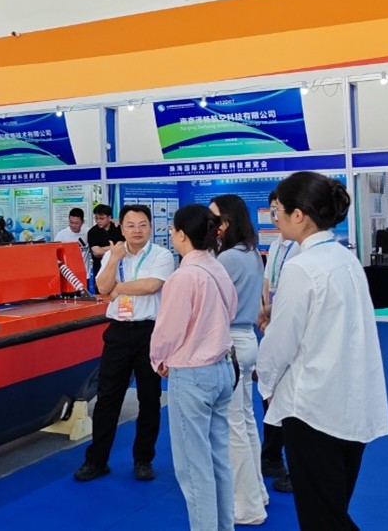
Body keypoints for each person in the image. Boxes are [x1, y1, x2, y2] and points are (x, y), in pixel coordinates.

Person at [257, 172, 388, 530]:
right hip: (350, 401)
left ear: (299, 215)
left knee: (321, 517)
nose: (276, 218)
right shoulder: (344, 258)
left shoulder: (302, 267)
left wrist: (265, 382)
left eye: (279, 211)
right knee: (333, 506)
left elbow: (280, 344)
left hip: (312, 408)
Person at [150, 204, 239, 530]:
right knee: (218, 461)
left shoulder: (183, 277)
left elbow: (168, 330)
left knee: (193, 468)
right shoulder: (217, 267)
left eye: (173, 230)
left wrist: (158, 359)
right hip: (221, 369)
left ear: (182, 235)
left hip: (192, 375)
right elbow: (230, 310)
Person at [74, 204, 175, 483]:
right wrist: (114, 260)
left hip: (149, 332)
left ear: (150, 227)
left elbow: (151, 286)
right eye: (130, 225)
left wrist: (118, 288)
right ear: (121, 228)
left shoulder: (162, 255)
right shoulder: (114, 254)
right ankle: (96, 461)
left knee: (149, 399)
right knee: (107, 398)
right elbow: (102, 288)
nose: (137, 230)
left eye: (142, 225)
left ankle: (143, 460)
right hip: (118, 332)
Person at [210, 195, 268, 525]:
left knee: (233, 428)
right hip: (246, 340)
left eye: (213, 218)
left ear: (226, 222)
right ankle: (256, 493)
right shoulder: (250, 252)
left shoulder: (227, 258)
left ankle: (246, 506)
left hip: (230, 341)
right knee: (245, 423)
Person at [259, 191, 297, 495]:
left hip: (292, 329)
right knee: (269, 389)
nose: (275, 216)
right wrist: (265, 313)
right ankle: (271, 456)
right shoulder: (275, 245)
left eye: (278, 210)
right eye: (272, 210)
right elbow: (268, 282)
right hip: (272, 322)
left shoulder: (303, 249)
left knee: (292, 397)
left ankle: (298, 467)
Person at [86, 204, 124, 281]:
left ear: (109, 217)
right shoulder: (92, 232)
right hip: (100, 269)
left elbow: (125, 246)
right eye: (96, 218)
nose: (98, 221)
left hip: (119, 268)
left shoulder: (118, 228)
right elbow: (97, 251)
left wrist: (103, 249)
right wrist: (115, 248)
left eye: (101, 218)